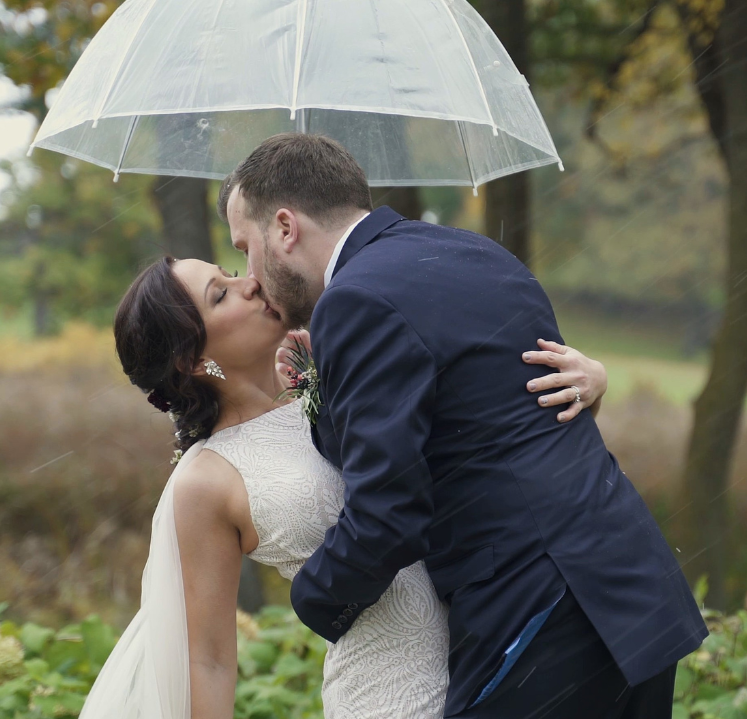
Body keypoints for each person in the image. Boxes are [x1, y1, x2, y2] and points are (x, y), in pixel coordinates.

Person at [218, 133, 708, 719]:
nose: (250, 274)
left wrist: (313, 599)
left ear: (285, 228)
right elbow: (475, 417)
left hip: (536, 608)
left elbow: (387, 512)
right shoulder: (474, 254)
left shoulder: (355, 301)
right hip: (631, 591)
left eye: (245, 247)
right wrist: (318, 390)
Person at [86, 253, 608, 719]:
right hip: (388, 694)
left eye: (229, 271)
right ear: (193, 360)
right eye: (220, 294)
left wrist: (590, 386)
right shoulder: (205, 481)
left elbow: (485, 442)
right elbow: (208, 659)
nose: (247, 282)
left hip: (494, 653)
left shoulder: (341, 376)